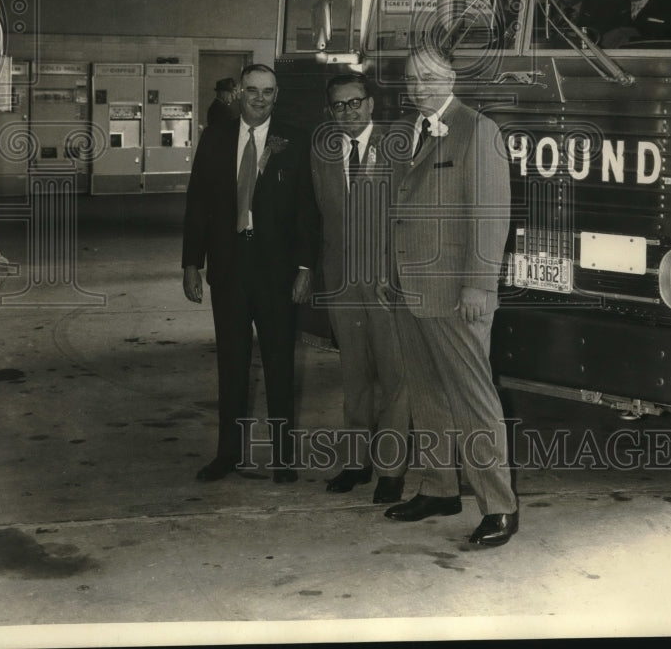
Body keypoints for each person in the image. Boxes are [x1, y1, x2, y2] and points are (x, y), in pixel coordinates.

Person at [375, 48, 518, 548]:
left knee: (475, 400)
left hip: (458, 292)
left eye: (429, 77)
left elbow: (491, 215)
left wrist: (479, 284)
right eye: (411, 79)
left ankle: (499, 506)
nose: (419, 87)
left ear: (451, 77)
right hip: (410, 288)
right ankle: (438, 488)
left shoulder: (478, 130)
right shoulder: (405, 131)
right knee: (427, 394)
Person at [182, 64, 318, 483]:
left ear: (277, 96)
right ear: (239, 93)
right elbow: (197, 202)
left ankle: (282, 458)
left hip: (277, 273)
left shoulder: (294, 141)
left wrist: (305, 268)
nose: (260, 98)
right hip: (228, 270)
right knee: (231, 364)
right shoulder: (216, 138)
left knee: (280, 365)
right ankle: (228, 454)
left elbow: (307, 210)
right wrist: (191, 262)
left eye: (268, 92)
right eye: (253, 90)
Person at [311, 74, 410, 505]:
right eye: (338, 106)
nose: (347, 112)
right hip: (343, 283)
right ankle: (356, 462)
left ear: (371, 105)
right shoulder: (323, 153)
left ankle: (391, 470)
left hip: (387, 282)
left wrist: (399, 272)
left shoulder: (399, 147)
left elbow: (412, 217)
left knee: (394, 377)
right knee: (353, 376)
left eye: (355, 103)